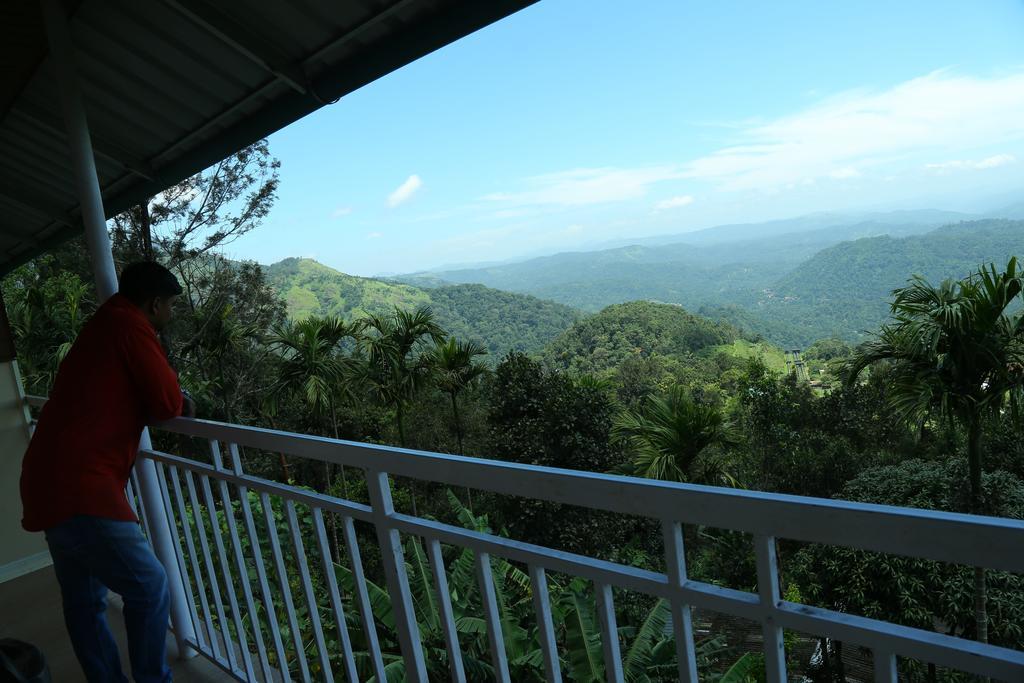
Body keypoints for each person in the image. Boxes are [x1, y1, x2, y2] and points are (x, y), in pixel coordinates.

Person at [20, 261, 196, 683]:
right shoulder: (129, 326)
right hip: (82, 486)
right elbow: (167, 403)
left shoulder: (104, 325)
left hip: (46, 481)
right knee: (150, 587)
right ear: (154, 304)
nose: (169, 315)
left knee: (84, 601)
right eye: (170, 306)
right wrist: (184, 397)